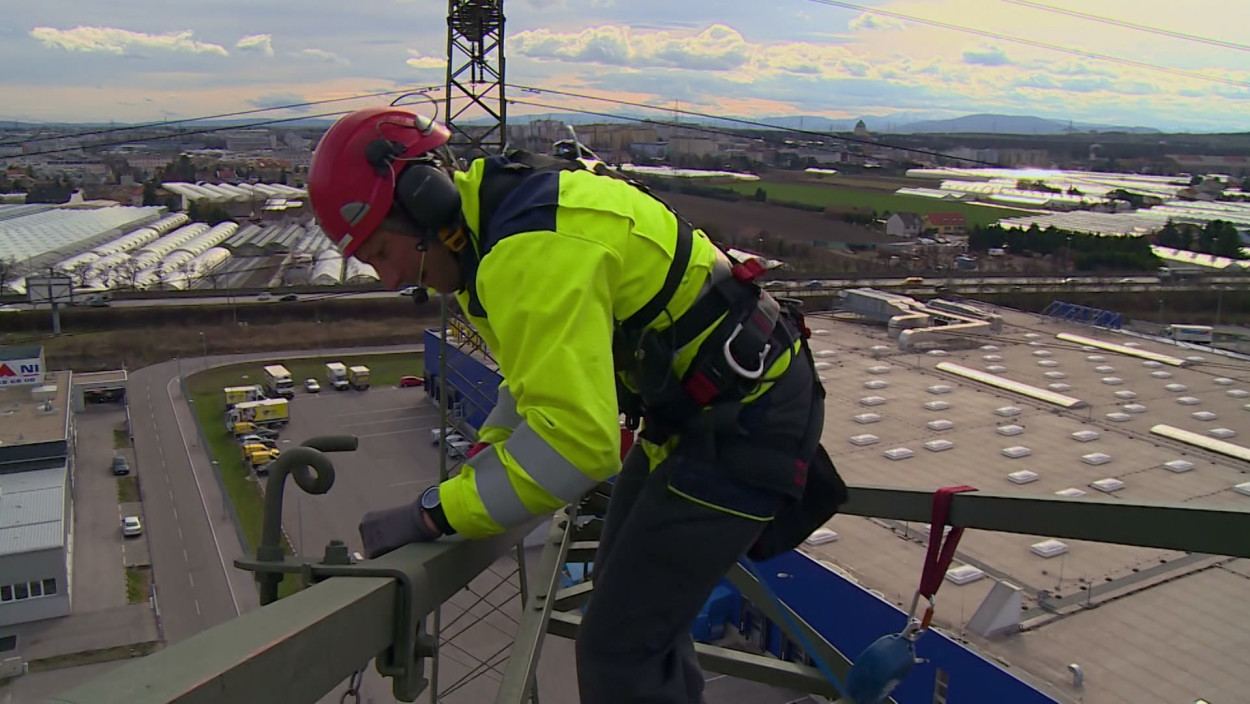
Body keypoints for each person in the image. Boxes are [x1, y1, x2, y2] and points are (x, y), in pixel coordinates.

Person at [307, 106, 847, 704]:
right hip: (708, 413)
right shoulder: (500, 223)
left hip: (744, 424)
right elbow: (536, 379)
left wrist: (436, 511)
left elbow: (578, 445)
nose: (388, 279)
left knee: (618, 648)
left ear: (426, 203)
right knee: (633, 614)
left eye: (382, 251)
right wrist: (490, 448)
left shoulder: (525, 253)